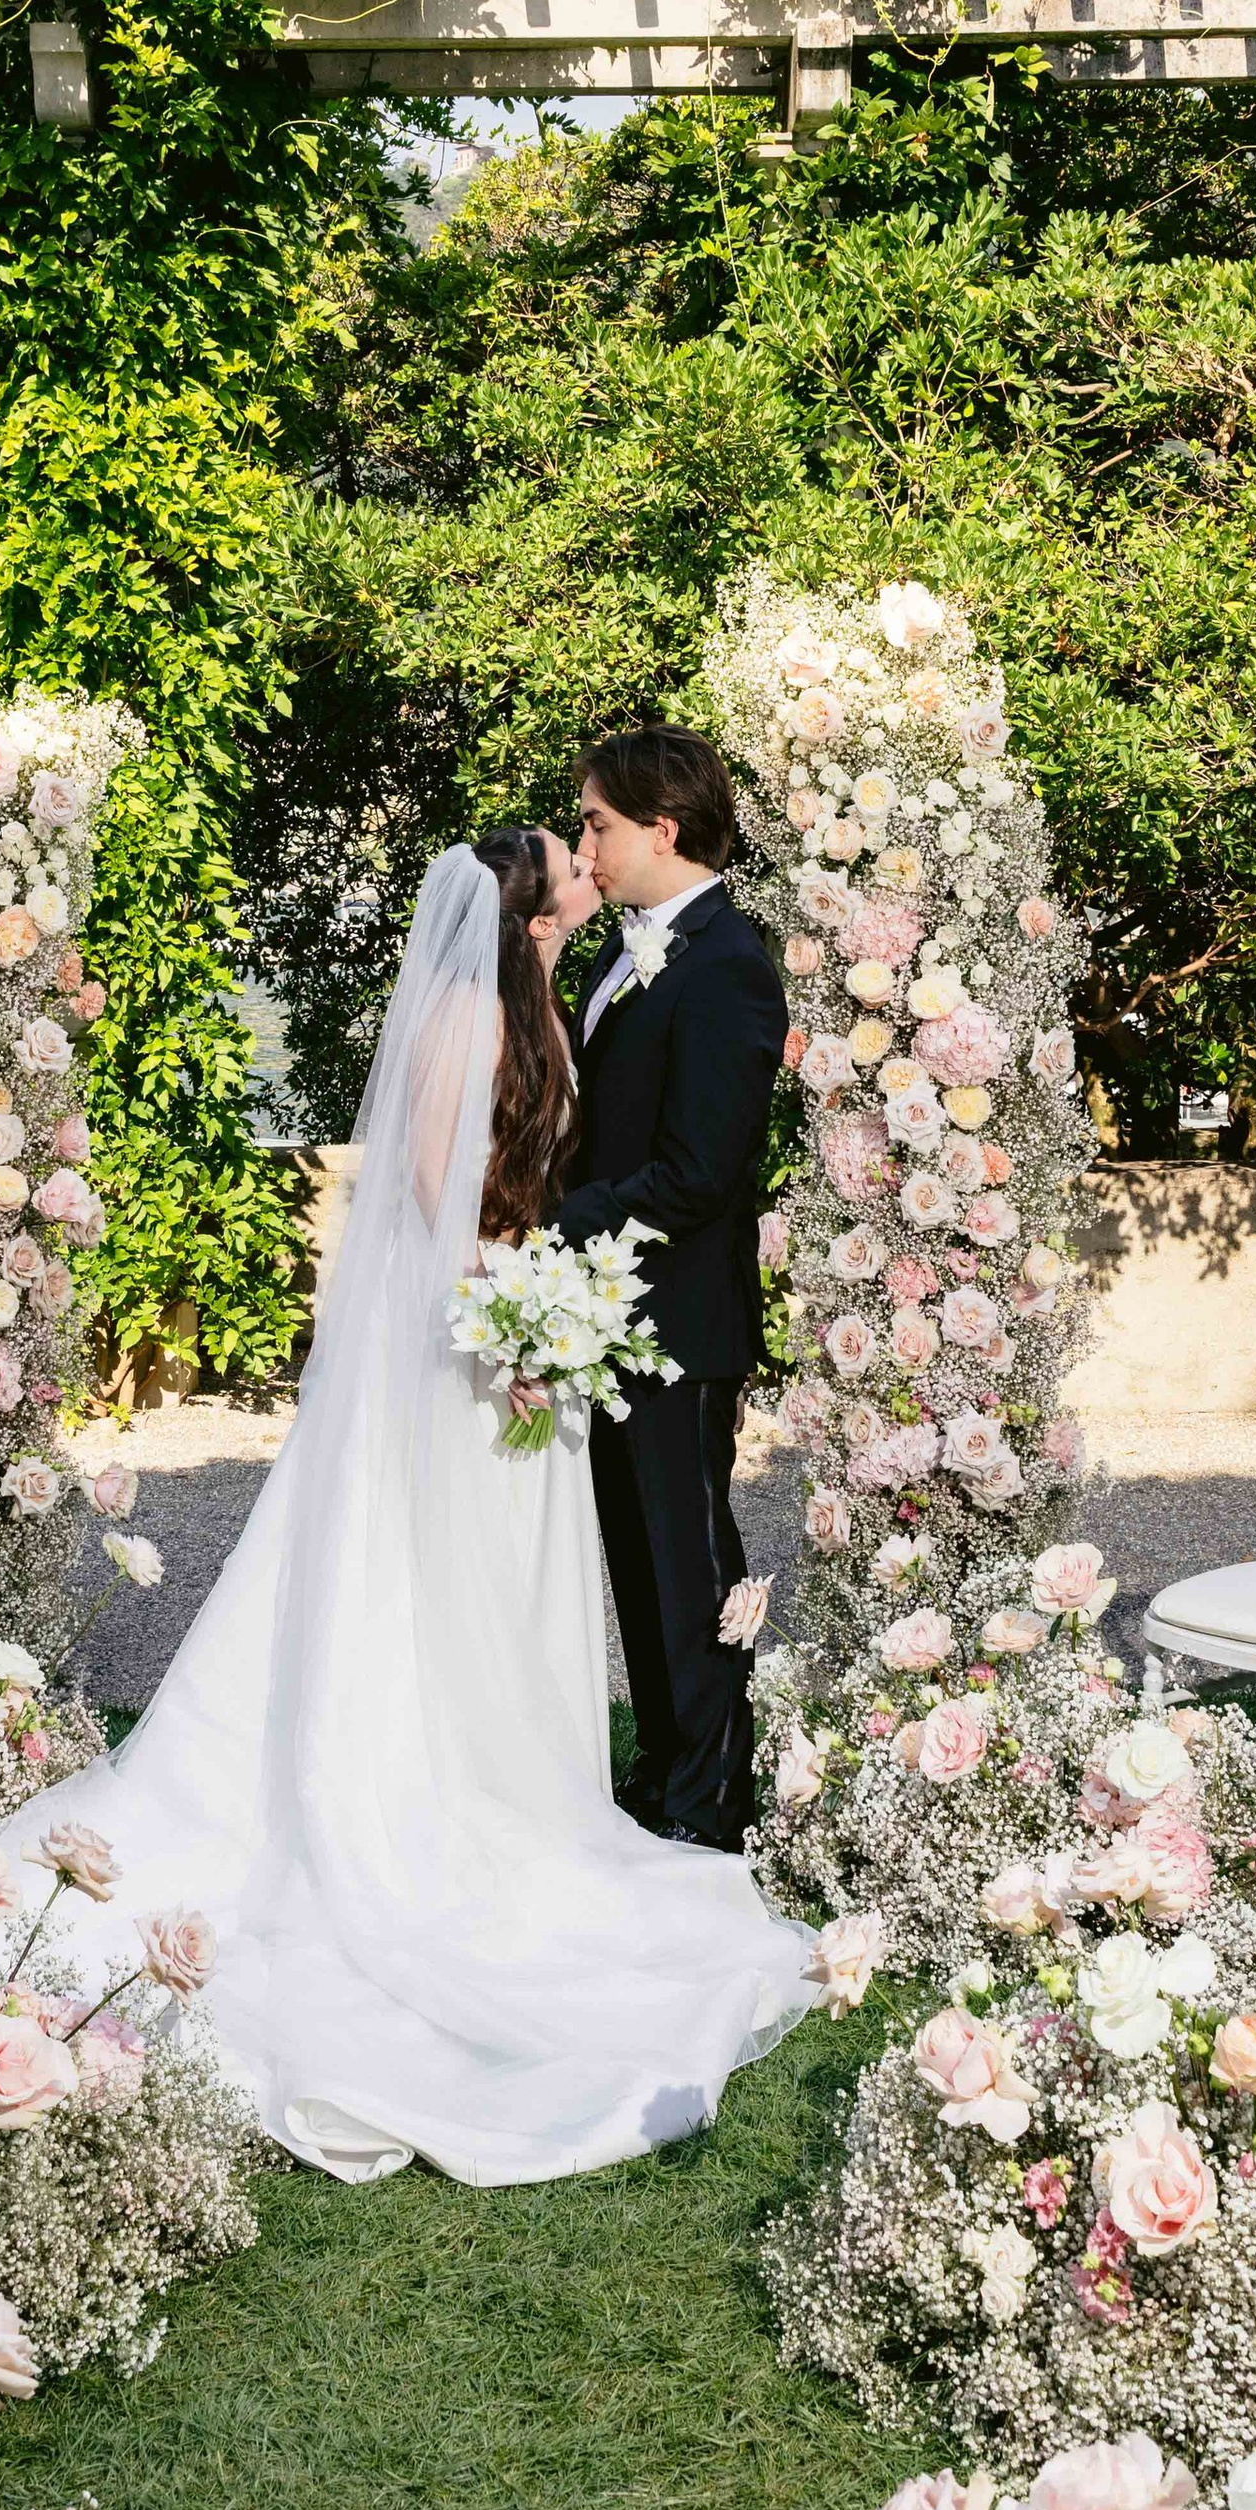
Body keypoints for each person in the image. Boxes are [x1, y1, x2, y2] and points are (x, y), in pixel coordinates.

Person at [0, 825, 813, 2184]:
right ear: (528, 904)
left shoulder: (551, 991)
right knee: (418, 1585)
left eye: (592, 838)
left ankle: (514, 1787)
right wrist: (524, 1297)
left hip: (527, 1334)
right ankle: (424, 1805)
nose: (589, 860)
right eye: (570, 854)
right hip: (475, 1341)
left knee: (495, 1592)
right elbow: (438, 1196)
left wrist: (548, 1292)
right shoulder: (470, 1020)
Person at [560, 728, 789, 1852]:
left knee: (690, 1571)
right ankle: (661, 1778)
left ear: (664, 827)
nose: (582, 843)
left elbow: (702, 1173)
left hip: (679, 1328)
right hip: (608, 1323)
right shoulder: (625, 952)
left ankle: (708, 1806)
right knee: (638, 1570)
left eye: (597, 823)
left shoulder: (728, 965)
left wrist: (557, 1227)